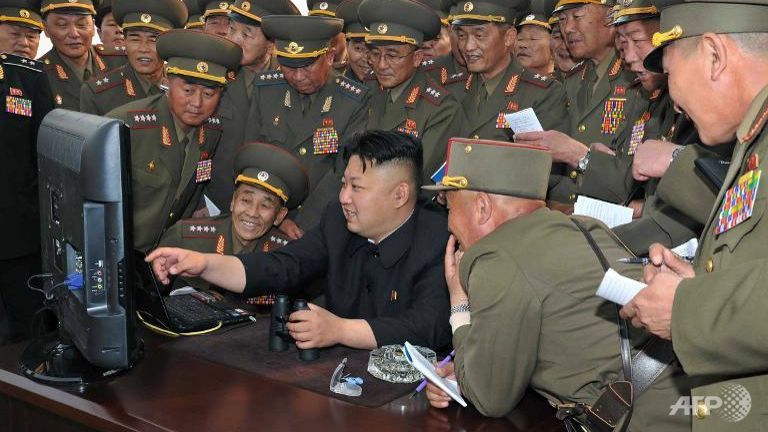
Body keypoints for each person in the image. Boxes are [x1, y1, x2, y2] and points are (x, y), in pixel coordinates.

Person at [423, 138, 690, 431]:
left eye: (449, 207)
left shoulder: (497, 257)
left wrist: (459, 305)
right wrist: (470, 367)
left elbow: (490, 398)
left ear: (483, 207)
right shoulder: (585, 226)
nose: (448, 223)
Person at [147, 131, 451, 350]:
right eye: (344, 184)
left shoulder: (440, 238)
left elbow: (428, 327)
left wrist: (341, 330)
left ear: (400, 194)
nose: (344, 197)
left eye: (356, 187)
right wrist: (202, 264)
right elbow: (282, 266)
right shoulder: (338, 221)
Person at [619, 1, 768, 429]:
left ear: (714, 55)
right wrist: (700, 284)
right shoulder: (751, 139)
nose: (676, 105)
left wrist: (685, 309)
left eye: (671, 72)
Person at [106, 29, 242, 252]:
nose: (197, 103)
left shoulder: (211, 131)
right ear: (168, 80)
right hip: (120, 252)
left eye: (209, 95)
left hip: (166, 255)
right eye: (188, 90)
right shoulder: (124, 127)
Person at [244, 14, 371, 235]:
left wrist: (304, 223)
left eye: (307, 66)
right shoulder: (267, 90)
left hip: (320, 221)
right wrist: (276, 216)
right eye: (289, 67)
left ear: (330, 57)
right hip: (266, 218)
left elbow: (342, 172)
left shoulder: (353, 101)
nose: (298, 76)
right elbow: (252, 157)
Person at [517, 0, 644, 205]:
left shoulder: (638, 80)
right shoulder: (571, 81)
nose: (567, 28)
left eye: (577, 17)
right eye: (562, 19)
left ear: (611, 17)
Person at [160, 142, 308, 308]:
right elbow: (152, 296)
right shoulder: (186, 237)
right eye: (246, 200)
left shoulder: (285, 257)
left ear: (279, 216)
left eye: (265, 205)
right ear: (232, 201)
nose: (252, 212)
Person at [202, 0, 299, 213]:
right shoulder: (213, 78)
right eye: (232, 30)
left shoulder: (292, 83)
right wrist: (198, 201)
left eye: (246, 34)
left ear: (272, 43)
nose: (235, 40)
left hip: (268, 210)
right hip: (214, 204)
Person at [359, 0, 464, 186]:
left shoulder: (440, 108)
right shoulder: (368, 91)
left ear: (417, 58)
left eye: (392, 56)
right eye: (375, 54)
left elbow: (416, 178)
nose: (381, 65)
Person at [0, 2, 54, 345]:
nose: (24, 41)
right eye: (14, 32)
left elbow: (45, 152)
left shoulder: (31, 79)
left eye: (32, 34)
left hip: (18, 232)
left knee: (29, 329)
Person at [450, 0, 569, 143]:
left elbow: (544, 160)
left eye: (479, 35)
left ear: (509, 37)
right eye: (462, 36)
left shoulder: (544, 94)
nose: (468, 47)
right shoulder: (451, 88)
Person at [80, 0, 187, 116]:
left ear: (168, 45)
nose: (143, 48)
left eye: (153, 39)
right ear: (124, 41)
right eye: (135, 39)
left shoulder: (186, 89)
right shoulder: (97, 94)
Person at [38, 0, 124, 110]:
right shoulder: (38, 75)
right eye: (62, 25)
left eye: (82, 25)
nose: (74, 33)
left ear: (93, 26)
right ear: (46, 28)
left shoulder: (121, 60)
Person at [335, 0, 377, 90]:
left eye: (374, 50)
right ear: (347, 46)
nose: (366, 58)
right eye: (359, 48)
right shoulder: (331, 81)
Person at [308, 1, 348, 71]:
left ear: (346, 32)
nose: (321, 33)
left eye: (330, 27)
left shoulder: (361, 71)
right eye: (315, 26)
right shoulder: (303, 70)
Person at [514, 13, 555, 77]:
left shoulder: (566, 85)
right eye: (520, 39)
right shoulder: (505, 83)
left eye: (533, 38)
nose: (523, 45)